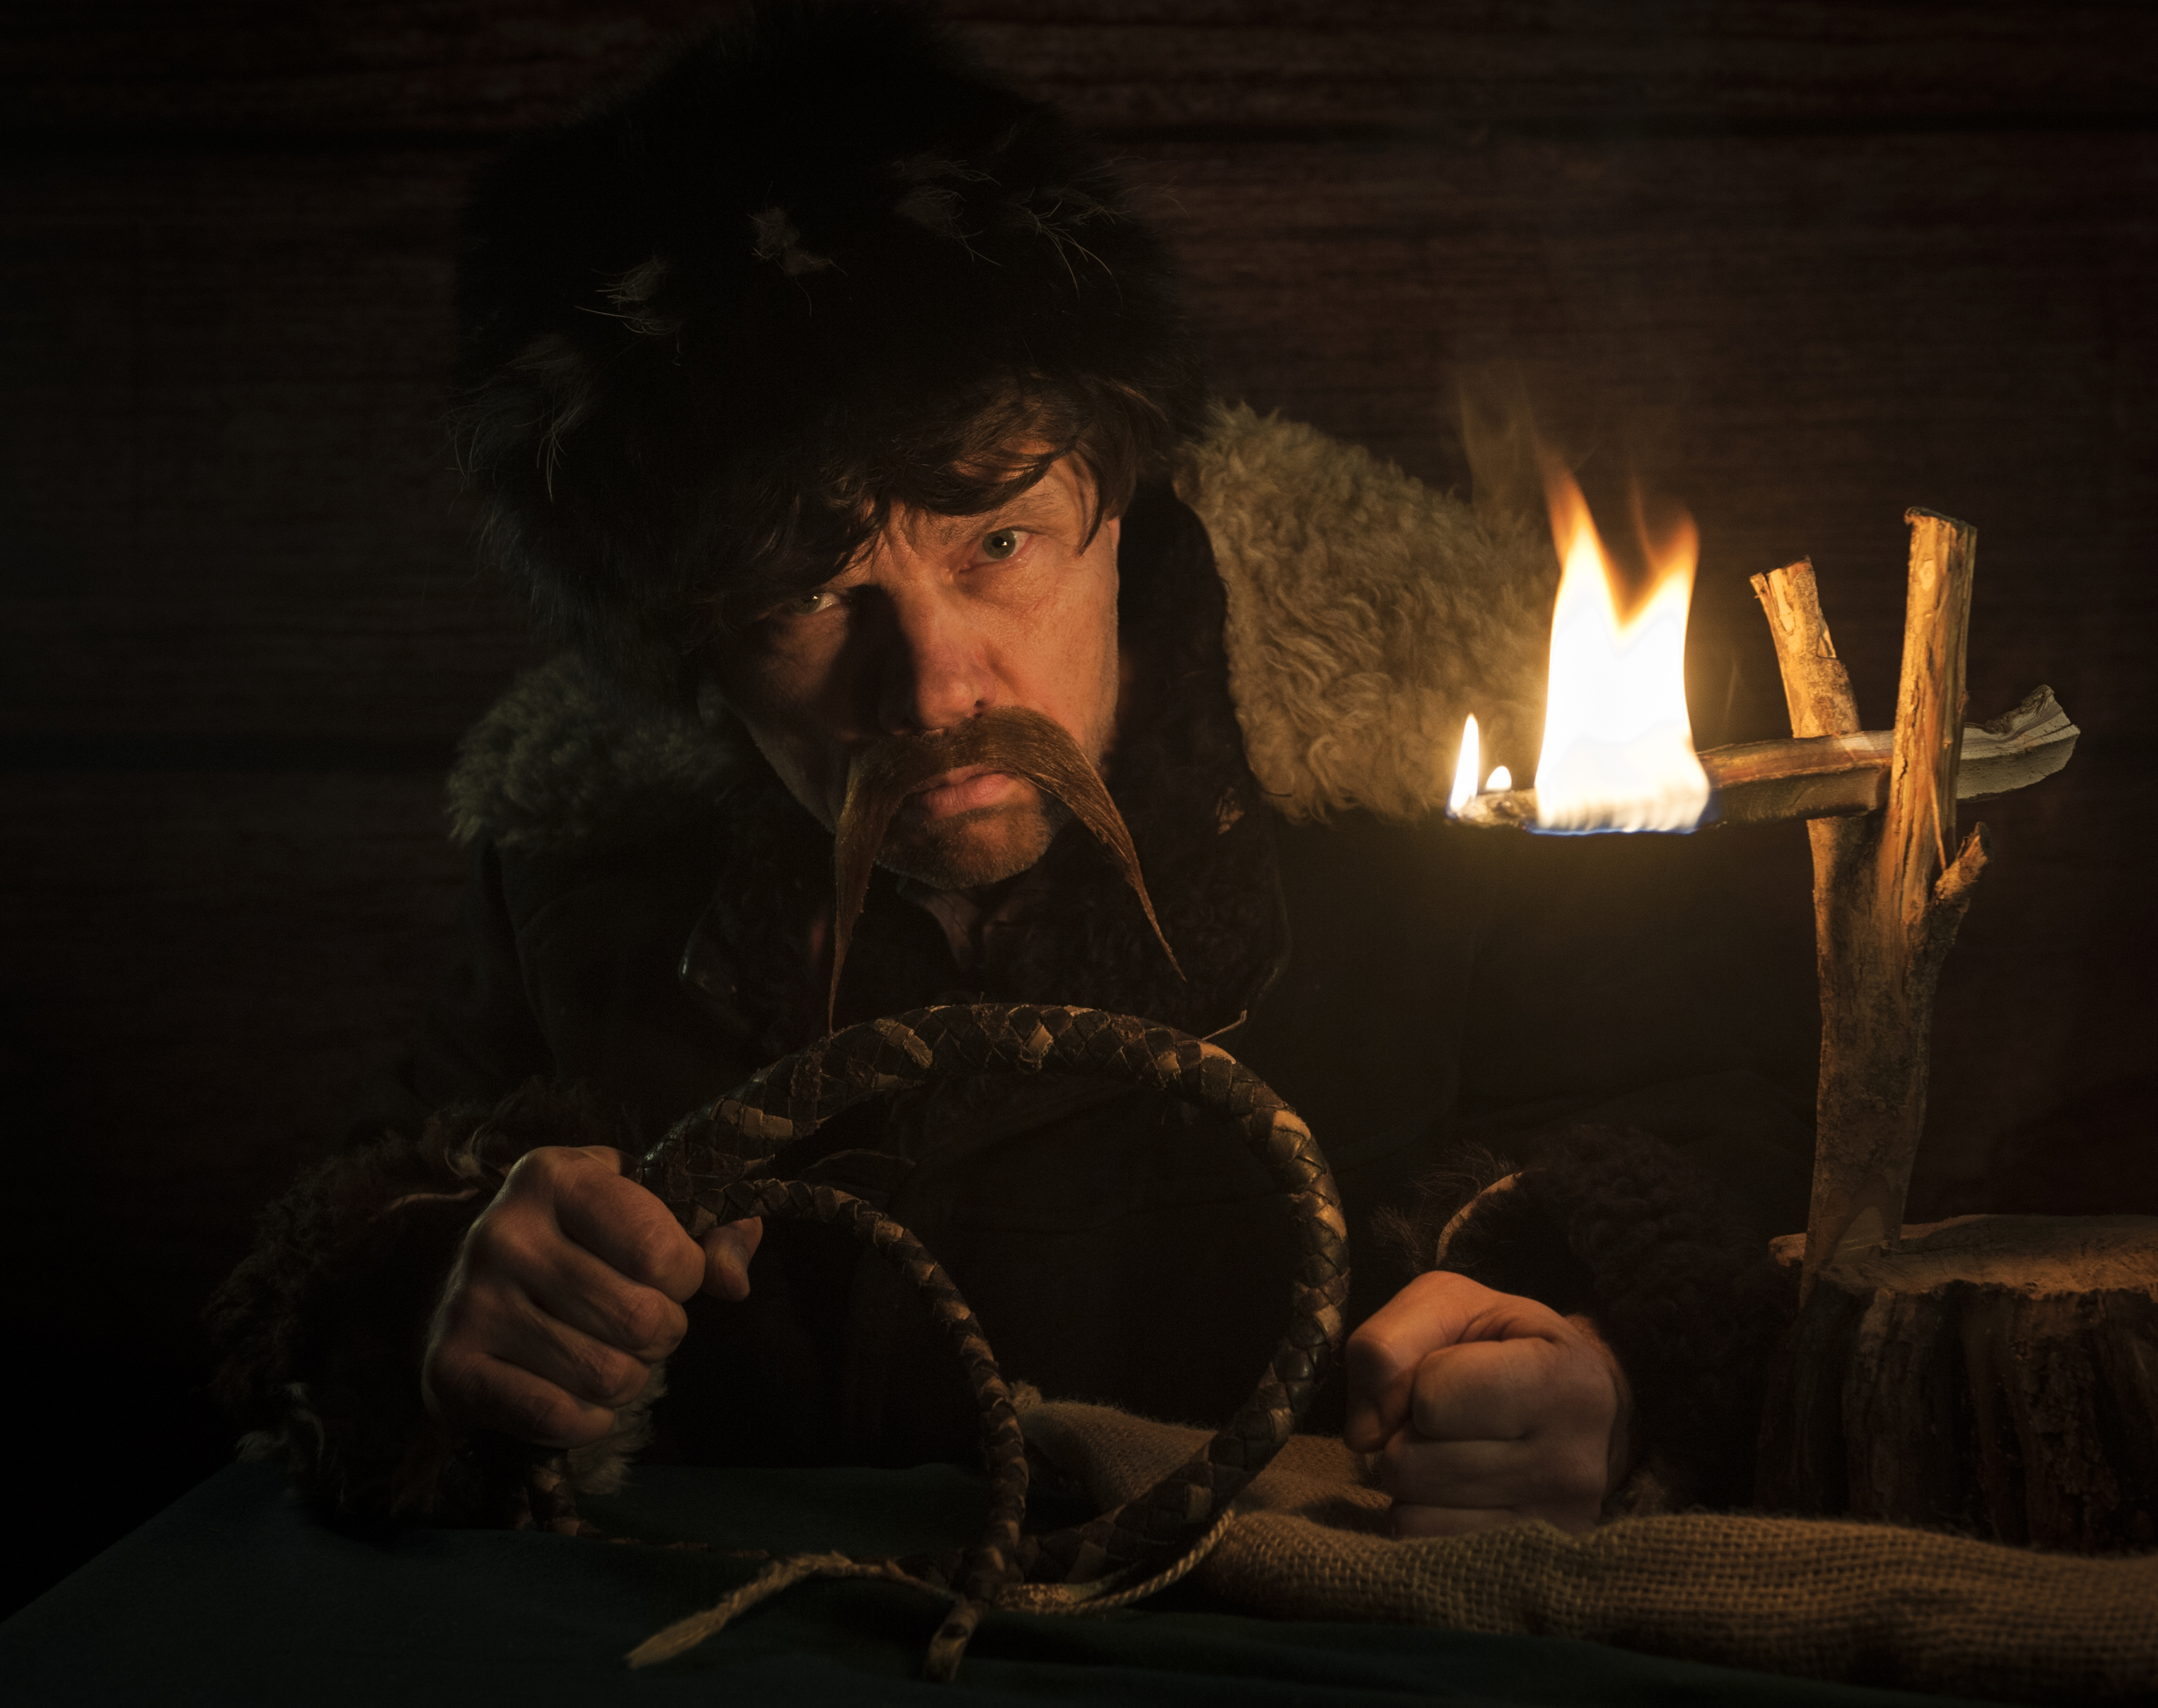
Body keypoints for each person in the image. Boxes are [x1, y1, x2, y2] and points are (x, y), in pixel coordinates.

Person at [209, 2, 1814, 1540]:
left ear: (1121, 491)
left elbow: (1710, 1155)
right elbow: (361, 1233)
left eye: (997, 543)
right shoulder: (585, 873)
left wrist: (1598, 1369)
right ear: (686, 639)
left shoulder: (1472, 797)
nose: (937, 689)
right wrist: (441, 1300)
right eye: (804, 596)